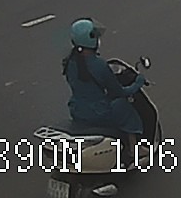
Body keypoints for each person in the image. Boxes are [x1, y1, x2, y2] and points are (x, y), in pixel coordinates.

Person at [61, 18, 146, 164]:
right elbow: (118, 92)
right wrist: (137, 84)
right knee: (124, 106)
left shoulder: (69, 62)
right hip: (99, 112)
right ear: (91, 39)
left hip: (77, 110)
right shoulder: (99, 65)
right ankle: (134, 149)